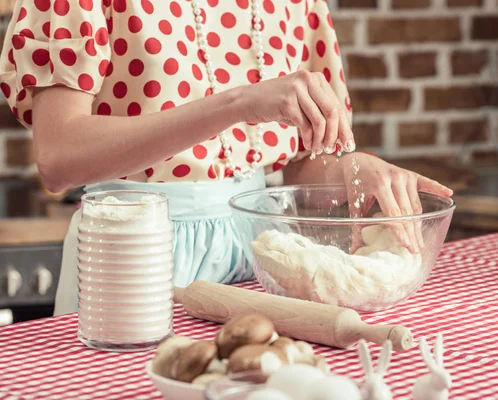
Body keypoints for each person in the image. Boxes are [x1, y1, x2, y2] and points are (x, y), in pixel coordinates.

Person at [0, 0, 453, 315]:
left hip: (258, 254)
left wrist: (357, 169)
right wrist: (238, 104)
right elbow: (59, 157)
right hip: (133, 250)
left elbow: (296, 163)